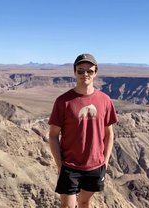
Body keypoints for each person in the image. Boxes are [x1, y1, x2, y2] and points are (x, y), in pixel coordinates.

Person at [48, 53, 118, 208]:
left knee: (85, 202)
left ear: (96, 73)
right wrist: (60, 166)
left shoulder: (105, 100)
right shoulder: (63, 101)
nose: (85, 74)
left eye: (89, 71)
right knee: (67, 206)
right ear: (74, 72)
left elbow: (109, 134)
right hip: (69, 165)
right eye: (80, 71)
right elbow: (53, 136)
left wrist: (104, 163)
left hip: (95, 165)